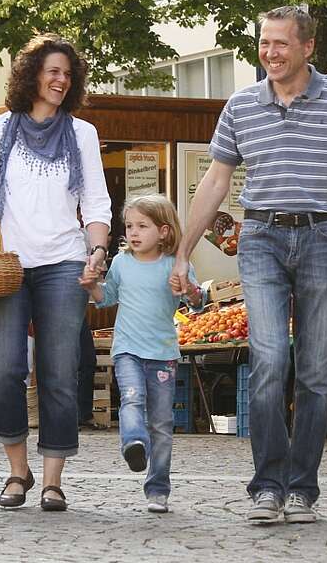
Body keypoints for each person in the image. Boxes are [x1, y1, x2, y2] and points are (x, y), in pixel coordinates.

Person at [171, 5, 327, 524]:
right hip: (262, 237)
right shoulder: (242, 105)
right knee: (268, 362)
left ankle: (301, 488)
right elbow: (216, 182)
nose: (270, 53)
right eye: (264, 43)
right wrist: (182, 249)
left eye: (281, 44)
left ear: (307, 47)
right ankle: (267, 484)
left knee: (313, 372)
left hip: (324, 237)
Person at [0, 33, 111, 511]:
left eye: (67, 73)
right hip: (6, 265)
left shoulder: (82, 134)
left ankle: (51, 480)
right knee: (4, 370)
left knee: (59, 373)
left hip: (64, 263)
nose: (60, 80)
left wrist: (97, 250)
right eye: (52, 71)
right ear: (30, 75)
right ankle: (16, 470)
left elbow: (95, 202)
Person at [79, 194, 205, 513]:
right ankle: (134, 443)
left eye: (142, 226)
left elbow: (197, 302)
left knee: (163, 422)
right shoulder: (121, 262)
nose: (133, 233)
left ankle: (158, 486)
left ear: (163, 231)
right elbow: (106, 299)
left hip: (163, 354)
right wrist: (92, 286)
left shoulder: (176, 263)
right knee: (132, 399)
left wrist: (189, 290)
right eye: (130, 226)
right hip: (127, 350)